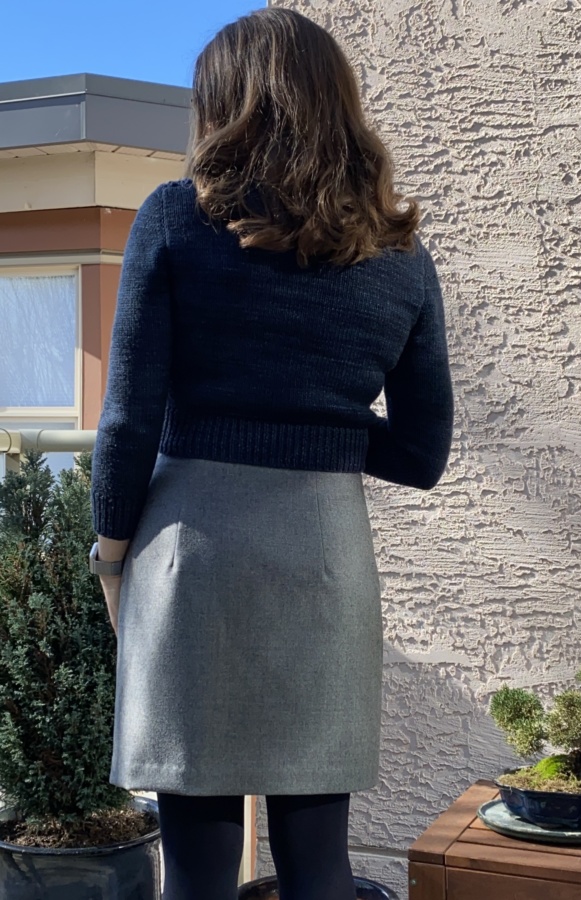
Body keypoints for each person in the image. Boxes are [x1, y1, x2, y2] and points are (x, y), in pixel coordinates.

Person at [88, 8, 454, 900]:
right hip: (322, 558)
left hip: (190, 557)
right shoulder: (400, 257)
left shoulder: (175, 219)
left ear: (227, 107)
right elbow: (418, 452)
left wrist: (109, 551)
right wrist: (319, 423)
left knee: (200, 875)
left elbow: (129, 416)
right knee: (320, 869)